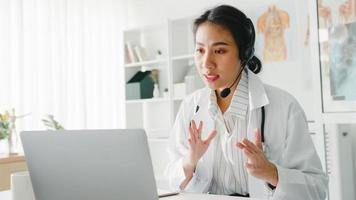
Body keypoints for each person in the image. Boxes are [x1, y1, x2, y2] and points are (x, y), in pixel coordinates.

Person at [164, 5, 328, 200]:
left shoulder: (285, 107)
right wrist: (190, 161)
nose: (206, 63)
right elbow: (172, 180)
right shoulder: (191, 106)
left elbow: (317, 189)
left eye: (219, 50)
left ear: (245, 53)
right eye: (200, 50)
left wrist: (271, 173)